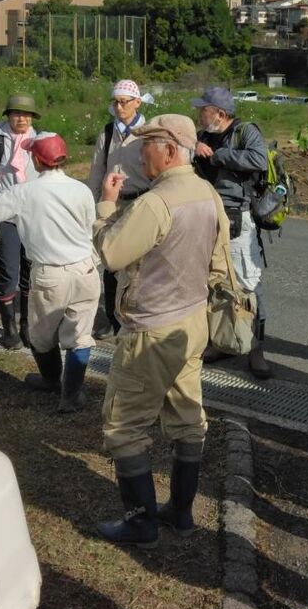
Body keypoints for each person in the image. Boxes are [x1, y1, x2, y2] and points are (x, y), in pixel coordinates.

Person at [92, 114, 231, 546]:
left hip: (151, 329)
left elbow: (111, 253)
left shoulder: (156, 203)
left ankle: (141, 524)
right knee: (188, 419)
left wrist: (106, 205)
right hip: (192, 323)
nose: (139, 155)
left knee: (123, 426)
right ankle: (181, 513)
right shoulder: (207, 194)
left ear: (169, 150)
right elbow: (220, 261)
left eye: (146, 145)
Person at [0, 134, 100, 413]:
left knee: (41, 335)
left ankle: (51, 380)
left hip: (50, 274)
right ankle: (71, 394)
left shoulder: (25, 193)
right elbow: (90, 225)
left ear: (37, 160)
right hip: (86, 269)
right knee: (80, 335)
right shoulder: (82, 190)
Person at [192, 85, 273, 380]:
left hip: (240, 217)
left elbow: (259, 160)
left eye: (203, 110)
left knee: (248, 283)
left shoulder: (245, 132)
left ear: (220, 113)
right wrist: (193, 148)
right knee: (214, 281)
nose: (199, 115)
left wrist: (218, 156)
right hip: (207, 215)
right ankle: (221, 340)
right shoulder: (201, 136)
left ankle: (256, 349)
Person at [86, 79, 152, 339]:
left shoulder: (148, 132)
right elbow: (96, 172)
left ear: (137, 103)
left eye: (124, 102)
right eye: (115, 102)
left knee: (141, 263)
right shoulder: (107, 132)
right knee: (111, 262)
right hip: (113, 204)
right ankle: (113, 320)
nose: (119, 107)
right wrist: (93, 206)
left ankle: (138, 321)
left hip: (141, 202)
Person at [0, 94, 42, 349]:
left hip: (33, 216)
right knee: (8, 272)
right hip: (4, 215)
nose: (21, 119)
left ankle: (27, 325)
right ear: (8, 115)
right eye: (16, 114)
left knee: (30, 273)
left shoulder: (39, 141)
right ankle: (9, 329)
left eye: (26, 115)